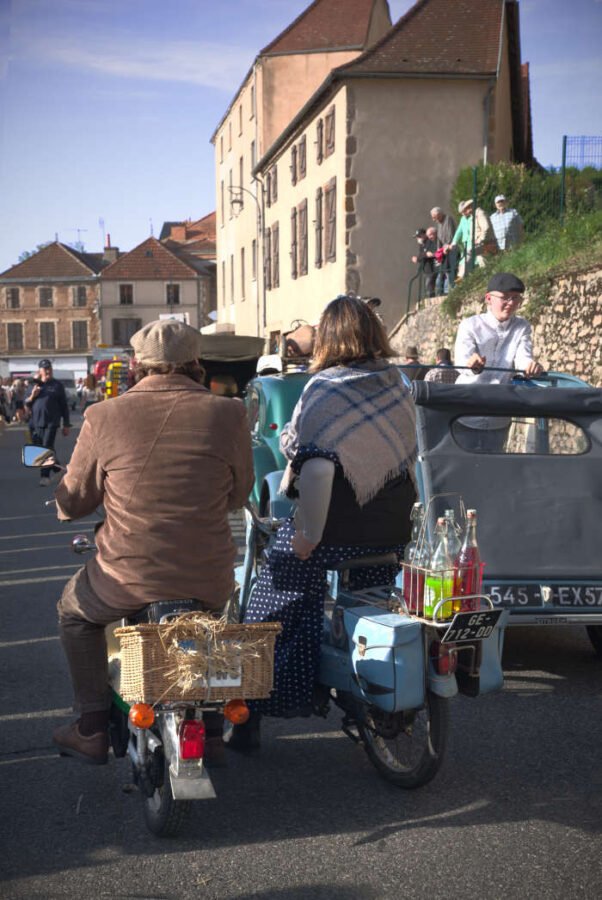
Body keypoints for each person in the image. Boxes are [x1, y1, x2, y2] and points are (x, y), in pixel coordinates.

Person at [52, 319, 254, 765]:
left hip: (127, 576)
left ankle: (90, 728)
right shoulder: (229, 412)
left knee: (74, 613)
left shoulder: (103, 415)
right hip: (207, 573)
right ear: (195, 364)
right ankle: (214, 732)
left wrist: (62, 499)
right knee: (214, 626)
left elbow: (75, 500)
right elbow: (239, 494)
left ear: (137, 365)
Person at [229, 295, 417, 750]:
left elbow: (315, 468)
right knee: (368, 593)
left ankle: (254, 710)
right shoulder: (398, 382)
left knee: (266, 607)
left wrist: (308, 538)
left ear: (328, 338)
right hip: (390, 530)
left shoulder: (326, 389)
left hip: (332, 532)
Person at [453, 272, 543, 451]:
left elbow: (522, 357)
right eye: (505, 298)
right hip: (466, 412)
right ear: (488, 298)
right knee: (462, 466)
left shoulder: (522, 326)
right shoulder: (470, 325)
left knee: (493, 467)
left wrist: (530, 366)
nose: (510, 303)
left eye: (515, 298)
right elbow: (462, 360)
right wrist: (473, 364)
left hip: (499, 415)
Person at [25, 359, 71, 486]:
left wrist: (66, 424)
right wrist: (33, 395)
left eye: (49, 368)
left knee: (45, 447)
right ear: (39, 371)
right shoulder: (33, 385)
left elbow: (64, 406)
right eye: (45, 368)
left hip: (52, 422)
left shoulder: (57, 385)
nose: (47, 370)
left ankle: (44, 476)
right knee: (39, 448)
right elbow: (27, 403)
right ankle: (58, 468)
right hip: (35, 423)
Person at [447, 199, 496, 278]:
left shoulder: (479, 214)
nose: (464, 213)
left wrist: (480, 239)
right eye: (463, 211)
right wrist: (454, 242)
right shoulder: (468, 218)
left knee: (471, 254)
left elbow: (486, 228)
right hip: (474, 243)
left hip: (481, 242)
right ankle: (482, 276)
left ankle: (462, 277)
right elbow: (459, 232)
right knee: (476, 259)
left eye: (465, 210)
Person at [430, 207, 457, 293]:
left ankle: (452, 290)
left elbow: (450, 236)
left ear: (439, 214)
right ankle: (447, 291)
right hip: (444, 251)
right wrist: (439, 249)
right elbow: (439, 238)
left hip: (451, 249)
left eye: (434, 217)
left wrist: (445, 247)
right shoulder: (439, 223)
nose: (433, 220)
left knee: (451, 271)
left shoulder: (448, 219)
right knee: (445, 272)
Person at [411, 228, 437, 298]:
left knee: (429, 285)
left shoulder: (430, 242)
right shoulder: (422, 245)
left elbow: (430, 253)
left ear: (424, 235)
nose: (418, 239)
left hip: (432, 268)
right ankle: (431, 299)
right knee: (428, 286)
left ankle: (432, 300)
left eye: (419, 237)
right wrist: (418, 258)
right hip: (426, 269)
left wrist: (420, 257)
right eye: (417, 237)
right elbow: (422, 255)